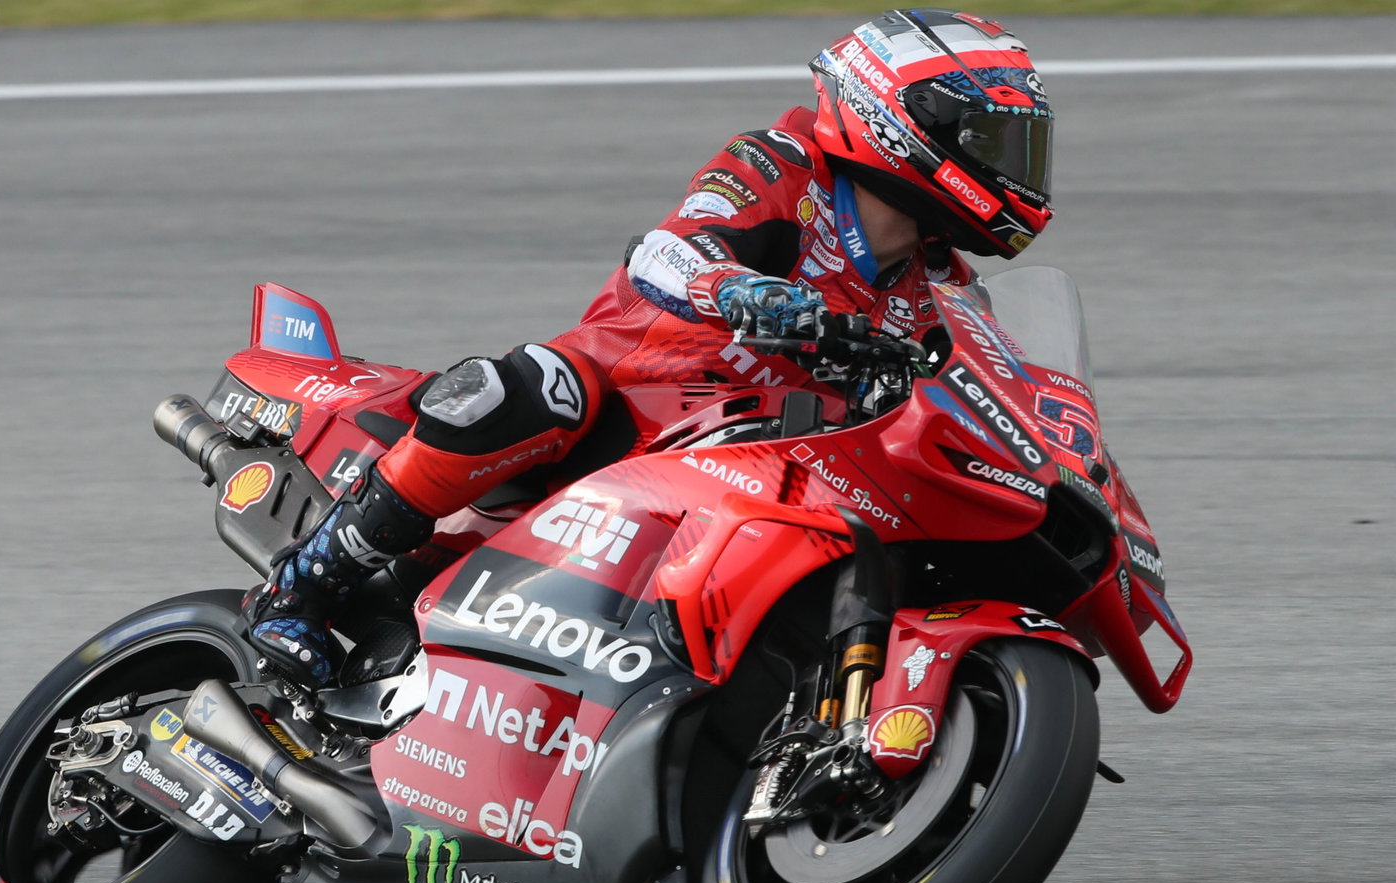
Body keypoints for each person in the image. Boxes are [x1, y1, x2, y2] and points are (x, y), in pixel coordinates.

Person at [247, 7, 1056, 687]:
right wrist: (742, 290)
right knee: (536, 386)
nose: (1017, 171)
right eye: (995, 141)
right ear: (900, 122)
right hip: (633, 407)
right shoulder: (781, 167)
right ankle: (307, 585)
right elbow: (667, 252)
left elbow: (977, 384)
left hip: (763, 464)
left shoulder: (939, 283)